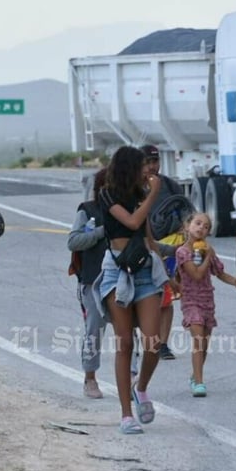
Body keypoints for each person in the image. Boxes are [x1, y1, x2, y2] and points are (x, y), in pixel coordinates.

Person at [94, 145, 168, 434]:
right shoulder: (107, 193)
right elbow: (132, 221)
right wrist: (153, 194)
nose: (147, 170)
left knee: (153, 342)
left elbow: (146, 234)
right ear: (129, 168)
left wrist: (164, 268)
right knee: (125, 344)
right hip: (117, 271)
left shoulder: (140, 194)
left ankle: (142, 388)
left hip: (144, 270)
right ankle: (126, 415)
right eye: (142, 165)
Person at [175, 212, 236, 397]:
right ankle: (199, 382)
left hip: (207, 300)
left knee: (204, 343)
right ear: (188, 226)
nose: (201, 228)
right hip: (191, 301)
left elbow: (219, 273)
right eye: (198, 223)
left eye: (206, 227)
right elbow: (196, 274)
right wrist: (207, 256)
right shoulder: (183, 252)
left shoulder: (207, 250)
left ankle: (194, 375)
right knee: (198, 339)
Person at [67, 168, 109, 399]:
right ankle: (90, 378)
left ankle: (133, 378)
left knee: (129, 331)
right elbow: (73, 242)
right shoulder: (88, 211)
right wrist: (101, 232)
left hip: (123, 279)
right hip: (93, 280)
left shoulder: (127, 211)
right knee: (94, 328)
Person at [141, 144, 184, 361]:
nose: (151, 167)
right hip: (141, 251)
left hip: (167, 251)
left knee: (166, 299)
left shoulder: (171, 186)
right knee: (144, 299)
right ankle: (146, 342)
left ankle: (163, 344)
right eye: (147, 162)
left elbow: (187, 213)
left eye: (154, 161)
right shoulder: (132, 189)